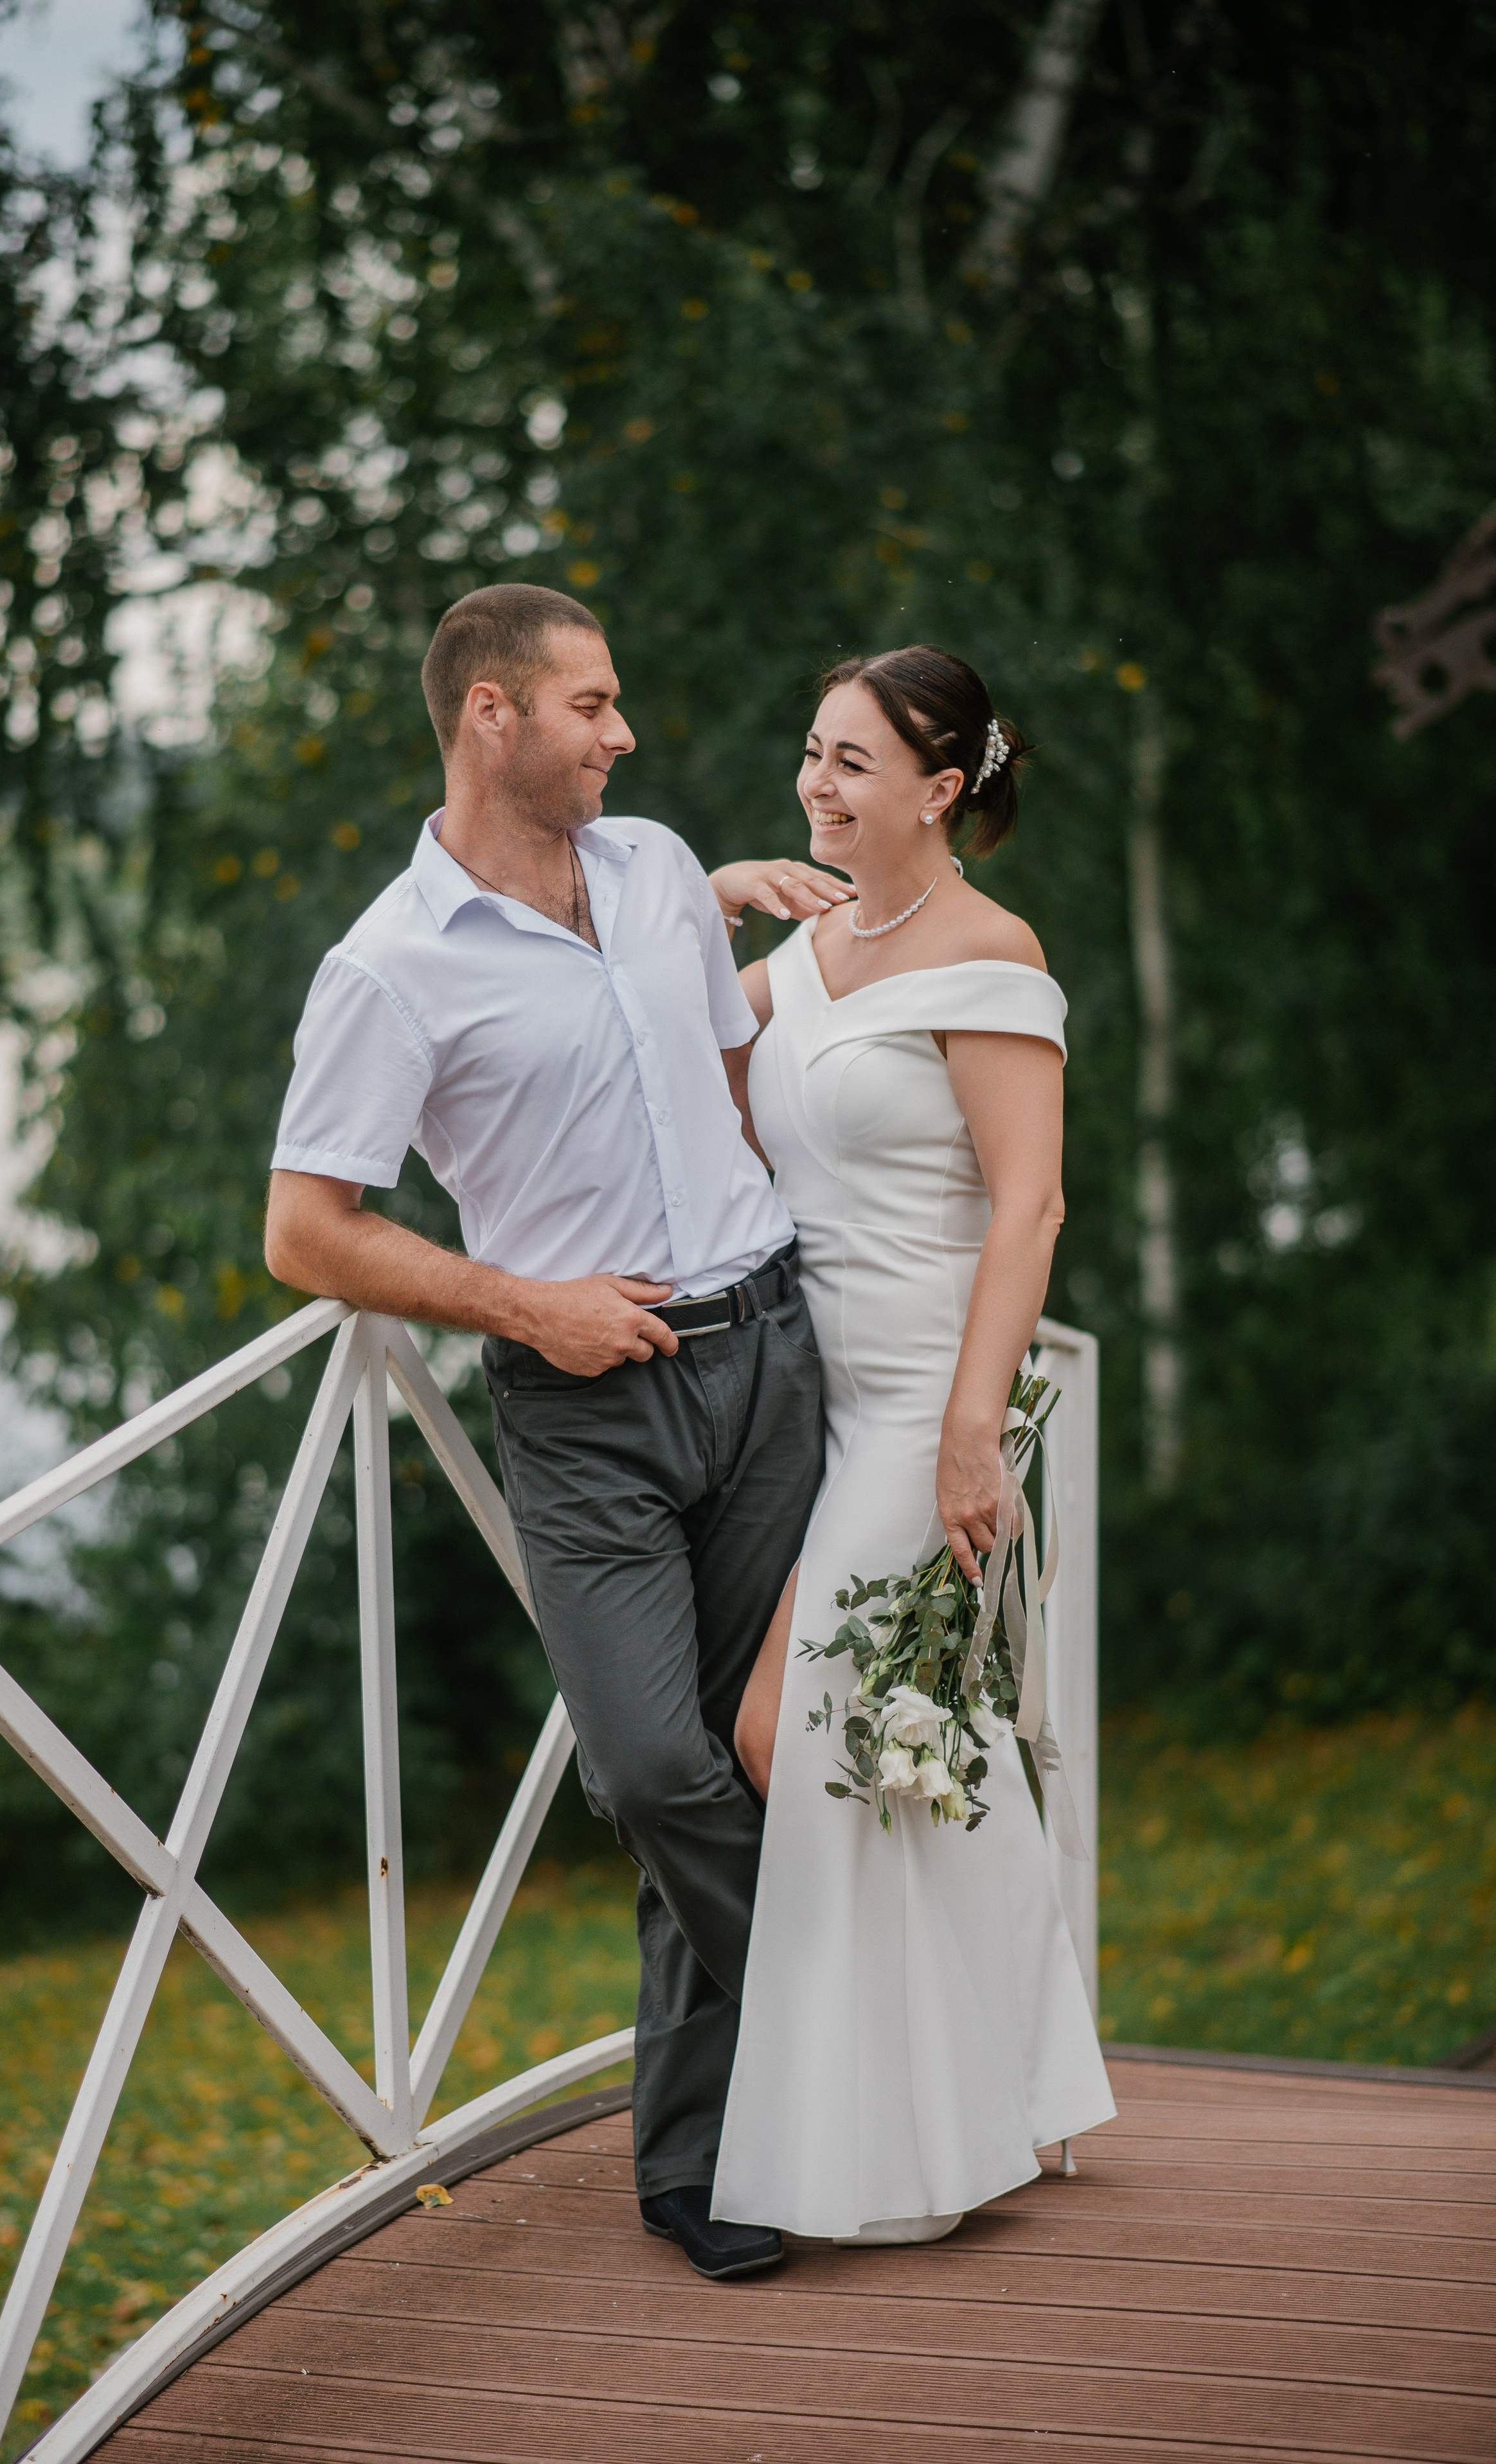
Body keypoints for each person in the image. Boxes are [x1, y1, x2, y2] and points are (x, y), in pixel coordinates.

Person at [262, 583, 841, 2282]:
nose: (623, 734)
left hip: (769, 1355)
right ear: (491, 714)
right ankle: (864, 2032)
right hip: (584, 1408)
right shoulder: (388, 968)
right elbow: (304, 1231)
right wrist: (530, 1306)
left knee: (726, 1765)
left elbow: (731, 1090)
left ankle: (699, 2172)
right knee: (650, 1767)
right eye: (590, 704)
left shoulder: (658, 869)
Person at [704, 644, 1115, 2245]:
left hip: (922, 1399)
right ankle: (1005, 2080)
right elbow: (668, 1059)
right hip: (805, 1397)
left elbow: (1031, 1206)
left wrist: (969, 1431)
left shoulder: (990, 954)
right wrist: (706, 906)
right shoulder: (804, 949)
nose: (816, 784)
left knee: (791, 1728)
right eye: (812, 752)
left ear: (942, 789)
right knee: (905, 1734)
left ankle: (902, 2135)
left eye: (853, 761)